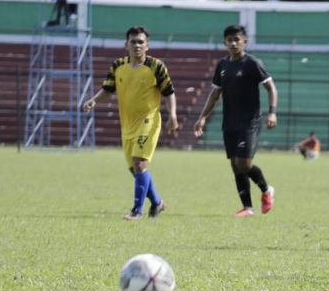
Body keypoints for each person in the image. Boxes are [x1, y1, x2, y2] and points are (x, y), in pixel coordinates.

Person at [82, 26, 178, 219]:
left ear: (147, 46)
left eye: (141, 42)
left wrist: (172, 116)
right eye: (133, 42)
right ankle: (158, 203)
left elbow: (169, 93)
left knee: (140, 163)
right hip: (128, 125)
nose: (137, 45)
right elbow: (107, 90)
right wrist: (93, 100)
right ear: (126, 45)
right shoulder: (118, 66)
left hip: (149, 121)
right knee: (135, 169)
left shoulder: (156, 66)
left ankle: (136, 211)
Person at [192, 24, 279, 217]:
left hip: (250, 122)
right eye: (229, 40)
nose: (233, 43)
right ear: (224, 43)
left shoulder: (252, 63)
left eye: (237, 40)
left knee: (244, 164)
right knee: (235, 165)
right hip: (229, 122)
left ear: (244, 42)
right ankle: (247, 208)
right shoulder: (222, 66)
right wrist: (202, 118)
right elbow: (215, 94)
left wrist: (272, 112)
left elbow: (271, 88)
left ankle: (266, 190)